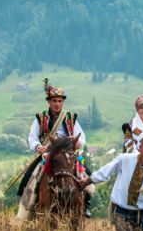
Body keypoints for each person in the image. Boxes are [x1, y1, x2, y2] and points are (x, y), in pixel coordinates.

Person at [17, 78, 94, 219]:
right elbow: (32, 137)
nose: (57, 104)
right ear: (49, 102)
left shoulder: (71, 118)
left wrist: (77, 143)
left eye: (60, 101)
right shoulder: (40, 118)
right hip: (47, 155)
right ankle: (31, 208)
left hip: (68, 154)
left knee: (88, 178)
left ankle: (86, 206)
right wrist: (38, 147)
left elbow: (81, 137)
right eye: (54, 101)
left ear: (63, 102)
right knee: (28, 179)